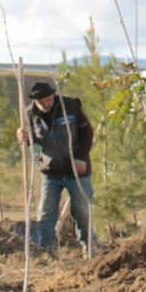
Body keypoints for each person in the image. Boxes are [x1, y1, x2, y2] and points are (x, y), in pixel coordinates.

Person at [17, 80, 94, 254]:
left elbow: (87, 132)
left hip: (77, 171)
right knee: (45, 214)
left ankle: (90, 249)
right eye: (42, 102)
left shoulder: (70, 106)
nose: (46, 104)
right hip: (50, 174)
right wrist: (24, 139)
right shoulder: (29, 113)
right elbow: (33, 144)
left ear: (53, 95)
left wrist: (81, 158)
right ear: (35, 101)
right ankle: (47, 251)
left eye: (49, 100)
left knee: (82, 212)